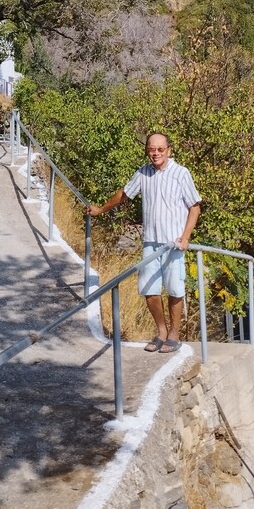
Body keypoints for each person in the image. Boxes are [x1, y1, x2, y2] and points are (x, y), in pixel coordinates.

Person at [87, 132, 201, 354]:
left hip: (173, 244)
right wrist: (100, 210)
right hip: (150, 242)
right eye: (151, 149)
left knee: (175, 289)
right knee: (149, 289)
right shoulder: (143, 172)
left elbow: (194, 207)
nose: (155, 153)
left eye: (160, 149)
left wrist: (185, 236)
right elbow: (124, 194)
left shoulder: (181, 173)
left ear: (169, 150)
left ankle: (174, 334)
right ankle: (161, 332)